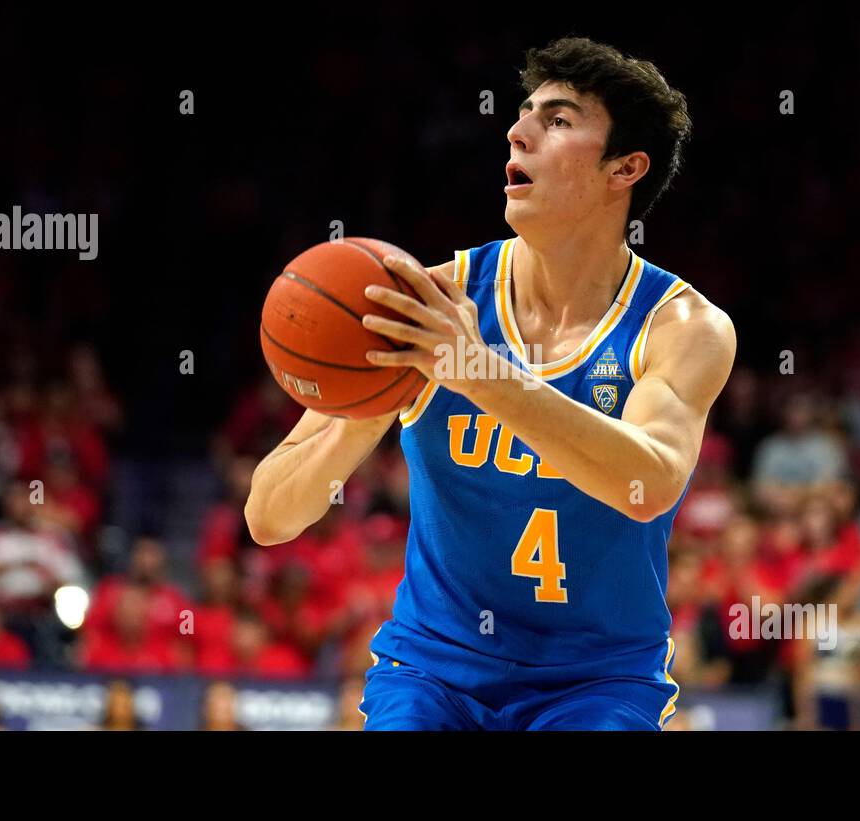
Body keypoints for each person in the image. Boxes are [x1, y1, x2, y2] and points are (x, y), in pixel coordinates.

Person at [245, 37, 736, 730]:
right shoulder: (432, 303)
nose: (518, 130)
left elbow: (649, 484)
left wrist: (475, 372)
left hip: (598, 680)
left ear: (625, 167)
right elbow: (269, 516)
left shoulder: (681, 327)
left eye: (559, 120)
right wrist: (374, 397)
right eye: (523, 113)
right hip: (433, 668)